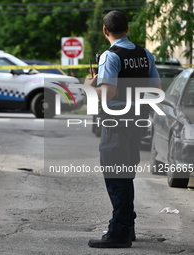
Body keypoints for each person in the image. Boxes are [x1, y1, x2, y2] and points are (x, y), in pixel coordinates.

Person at [84, 11, 161, 248]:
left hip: (116, 122)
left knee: (117, 176)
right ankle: (128, 225)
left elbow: (108, 95)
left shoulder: (110, 56)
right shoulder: (145, 54)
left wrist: (88, 86)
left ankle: (119, 232)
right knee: (125, 174)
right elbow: (156, 89)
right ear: (127, 29)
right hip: (137, 122)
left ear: (105, 31)